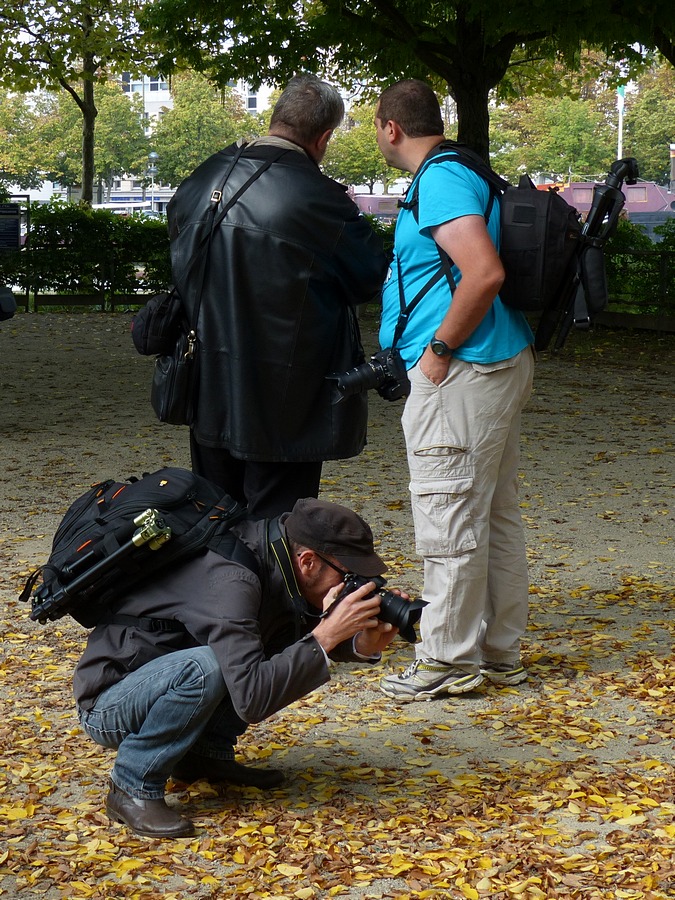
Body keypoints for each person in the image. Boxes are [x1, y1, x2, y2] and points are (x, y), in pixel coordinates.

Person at [73, 498, 400, 838]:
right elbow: (252, 698)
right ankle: (131, 785)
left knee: (244, 653)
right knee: (207, 667)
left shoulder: (275, 562)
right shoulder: (233, 578)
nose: (358, 587)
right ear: (307, 562)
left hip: (158, 681)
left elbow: (292, 643)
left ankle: (204, 756)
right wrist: (325, 635)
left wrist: (360, 644)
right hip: (110, 701)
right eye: (350, 577)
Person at [373, 80, 535, 702]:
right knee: (493, 515)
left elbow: (484, 271)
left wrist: (438, 351)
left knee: (448, 515)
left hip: (464, 370)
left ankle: (448, 659)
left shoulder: (437, 181)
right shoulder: (467, 165)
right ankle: (498, 655)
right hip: (496, 360)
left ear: (391, 128)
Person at [167, 75, 388, 519]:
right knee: (278, 529)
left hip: (208, 384)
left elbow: (180, 259)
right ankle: (269, 591)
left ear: (275, 118)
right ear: (324, 137)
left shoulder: (203, 177)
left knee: (216, 522)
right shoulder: (320, 199)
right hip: (289, 396)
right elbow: (369, 277)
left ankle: (225, 589)